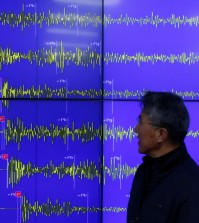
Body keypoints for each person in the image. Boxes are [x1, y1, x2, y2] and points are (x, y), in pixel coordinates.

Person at [127, 91, 199, 223]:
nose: (136, 129)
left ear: (161, 134)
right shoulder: (143, 171)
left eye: (141, 122)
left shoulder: (192, 186)